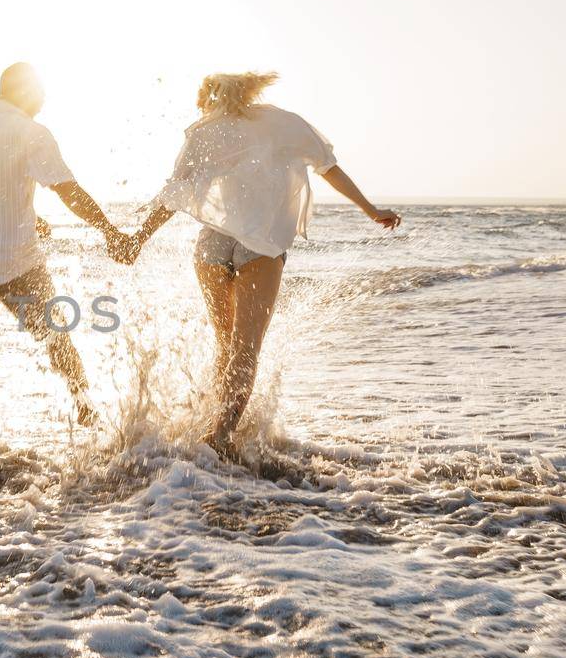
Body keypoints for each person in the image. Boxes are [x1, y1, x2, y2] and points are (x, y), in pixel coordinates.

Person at [123, 72, 400, 456]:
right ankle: (219, 435)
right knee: (245, 348)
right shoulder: (284, 123)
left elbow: (174, 192)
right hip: (263, 245)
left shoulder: (204, 131)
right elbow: (329, 167)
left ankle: (211, 427)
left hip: (212, 245)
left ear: (209, 99)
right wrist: (370, 210)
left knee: (225, 344)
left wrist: (137, 238)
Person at [0, 62, 134, 456]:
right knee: (57, 338)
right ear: (25, 93)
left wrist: (31, 218)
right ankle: (88, 413)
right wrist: (110, 231)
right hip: (16, 263)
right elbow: (67, 190)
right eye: (40, 92)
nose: (44, 99)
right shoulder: (30, 133)